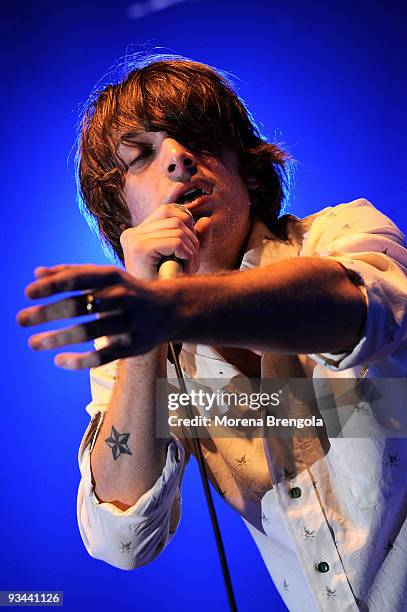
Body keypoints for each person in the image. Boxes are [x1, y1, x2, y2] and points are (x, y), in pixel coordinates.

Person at [17, 54, 407, 611]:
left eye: (197, 139)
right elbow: (121, 539)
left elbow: (354, 310)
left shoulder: (342, 233)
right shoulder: (141, 351)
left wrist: (175, 304)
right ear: (122, 213)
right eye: (143, 156)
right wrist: (151, 333)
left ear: (248, 171)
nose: (177, 159)